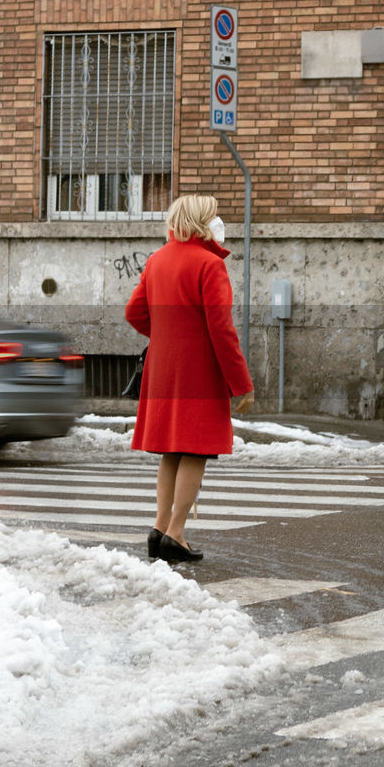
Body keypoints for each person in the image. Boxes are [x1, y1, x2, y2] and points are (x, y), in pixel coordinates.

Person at [124, 194, 255, 563]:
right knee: (196, 448)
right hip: (199, 371)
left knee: (171, 448)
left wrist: (167, 332)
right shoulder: (209, 264)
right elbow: (221, 330)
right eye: (215, 216)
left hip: (163, 369)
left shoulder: (157, 260)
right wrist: (241, 383)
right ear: (201, 222)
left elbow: (134, 313)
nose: (220, 222)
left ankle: (160, 527)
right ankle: (176, 533)